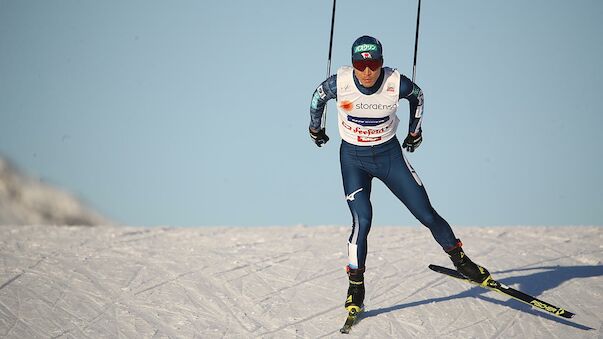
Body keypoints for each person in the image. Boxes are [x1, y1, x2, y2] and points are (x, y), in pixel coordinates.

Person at [308, 35, 491, 313]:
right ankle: (356, 286)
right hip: (353, 159)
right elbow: (317, 98)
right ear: (353, 64)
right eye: (360, 65)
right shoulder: (339, 83)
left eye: (374, 64)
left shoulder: (396, 83)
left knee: (426, 213)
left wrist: (414, 132)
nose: (367, 72)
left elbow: (417, 96)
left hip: (389, 156)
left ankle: (461, 261)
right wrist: (315, 128)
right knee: (363, 219)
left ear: (382, 62)